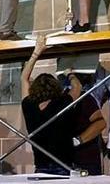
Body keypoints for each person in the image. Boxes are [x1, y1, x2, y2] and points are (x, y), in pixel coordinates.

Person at [21, 36, 80, 175]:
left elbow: (24, 78)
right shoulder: (62, 102)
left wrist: (36, 53)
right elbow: (77, 87)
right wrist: (69, 73)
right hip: (63, 166)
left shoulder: (29, 105)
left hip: (41, 167)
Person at [63, 73, 106, 175]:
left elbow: (100, 123)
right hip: (66, 160)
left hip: (86, 159)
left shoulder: (86, 99)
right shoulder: (61, 99)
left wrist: (77, 140)